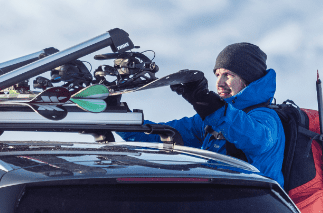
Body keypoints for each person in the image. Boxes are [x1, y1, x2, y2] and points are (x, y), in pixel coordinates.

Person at [118, 42, 285, 187]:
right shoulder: (209, 121)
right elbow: (162, 134)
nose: (219, 83)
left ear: (248, 79)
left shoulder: (266, 118)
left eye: (228, 75)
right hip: (219, 207)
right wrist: (119, 117)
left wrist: (207, 103)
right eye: (217, 75)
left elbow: (254, 137)